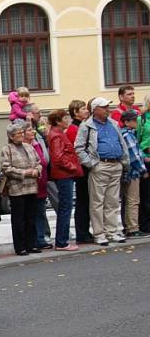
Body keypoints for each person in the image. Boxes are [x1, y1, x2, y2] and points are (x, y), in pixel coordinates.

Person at [75, 97, 129, 245]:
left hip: (115, 163)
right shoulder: (87, 126)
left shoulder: (113, 123)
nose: (108, 110)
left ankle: (111, 231)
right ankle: (99, 233)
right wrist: (91, 164)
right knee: (97, 201)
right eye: (104, 107)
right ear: (95, 109)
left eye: (107, 107)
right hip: (100, 165)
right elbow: (79, 148)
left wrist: (124, 161)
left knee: (112, 201)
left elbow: (121, 142)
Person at [1, 120, 41, 256]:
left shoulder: (29, 147)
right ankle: (21, 246)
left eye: (23, 132)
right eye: (19, 133)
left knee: (31, 217)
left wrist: (37, 170)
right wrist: (25, 173)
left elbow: (38, 161)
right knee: (19, 219)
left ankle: (32, 244)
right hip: (17, 189)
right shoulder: (7, 149)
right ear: (11, 136)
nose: (22, 135)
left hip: (32, 187)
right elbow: (6, 168)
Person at [47, 109, 82, 251]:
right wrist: (73, 167)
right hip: (64, 175)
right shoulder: (57, 136)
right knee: (65, 208)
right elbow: (58, 158)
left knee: (65, 207)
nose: (67, 120)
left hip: (64, 174)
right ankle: (62, 242)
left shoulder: (59, 134)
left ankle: (63, 240)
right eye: (65, 118)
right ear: (58, 121)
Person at [66, 99, 94, 243]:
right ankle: (82, 233)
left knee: (87, 201)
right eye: (83, 109)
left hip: (85, 168)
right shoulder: (74, 129)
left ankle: (85, 231)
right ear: (75, 112)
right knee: (83, 201)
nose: (86, 111)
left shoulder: (83, 125)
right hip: (81, 170)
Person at [119, 109, 148, 237]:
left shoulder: (127, 133)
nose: (137, 121)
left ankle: (128, 226)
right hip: (133, 172)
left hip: (127, 172)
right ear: (127, 122)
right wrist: (143, 169)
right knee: (133, 200)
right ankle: (133, 228)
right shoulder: (128, 135)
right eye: (134, 119)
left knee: (128, 200)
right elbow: (134, 155)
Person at [26, 123, 53, 250]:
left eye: (32, 129)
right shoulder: (24, 146)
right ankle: (34, 240)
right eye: (29, 130)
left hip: (42, 183)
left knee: (41, 212)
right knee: (32, 213)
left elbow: (43, 161)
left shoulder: (37, 144)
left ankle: (41, 238)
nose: (33, 132)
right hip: (30, 184)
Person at [137, 95, 150, 233]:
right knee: (146, 193)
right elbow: (137, 140)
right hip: (146, 158)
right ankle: (145, 224)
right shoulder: (142, 119)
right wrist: (143, 156)